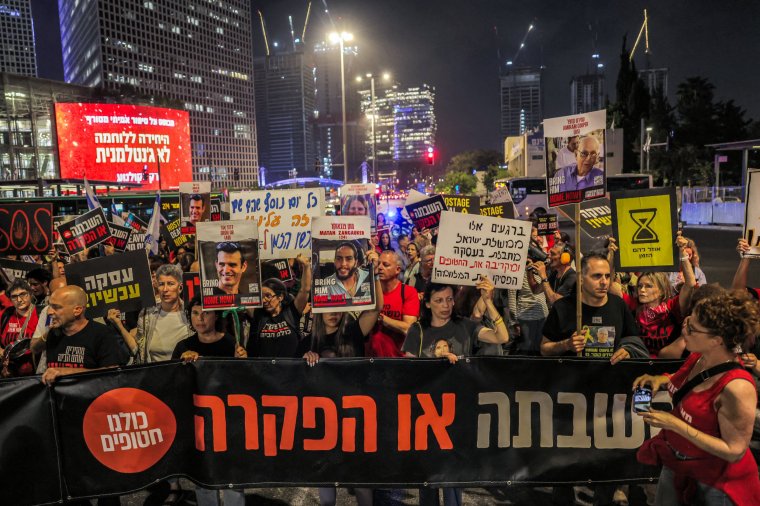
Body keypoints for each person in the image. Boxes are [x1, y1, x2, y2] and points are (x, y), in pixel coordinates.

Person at [633, 289, 760, 505]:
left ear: (716, 340)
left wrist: (675, 424)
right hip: (679, 463)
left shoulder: (737, 388)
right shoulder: (699, 357)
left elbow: (734, 451)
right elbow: (684, 381)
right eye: (687, 320)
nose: (684, 329)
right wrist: (659, 380)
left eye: (692, 328)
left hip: (717, 483)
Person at [401, 277, 508, 506]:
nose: (446, 305)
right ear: (427, 303)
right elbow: (407, 372)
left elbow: (502, 337)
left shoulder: (465, 326)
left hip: (458, 413)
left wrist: (488, 301)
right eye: (439, 300)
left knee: (453, 481)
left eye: (449, 299)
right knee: (428, 481)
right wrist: (438, 363)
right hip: (426, 416)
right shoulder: (417, 330)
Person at [303, 260, 383, 506]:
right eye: (329, 306)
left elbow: (374, 310)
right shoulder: (308, 341)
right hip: (323, 419)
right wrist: (303, 359)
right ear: (318, 309)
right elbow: (290, 375)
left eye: (339, 306)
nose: (333, 312)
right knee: (326, 476)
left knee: (359, 476)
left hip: (353, 414)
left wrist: (374, 274)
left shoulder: (353, 333)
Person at [540, 251, 647, 361]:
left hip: (610, 375)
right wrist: (566, 345)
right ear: (581, 278)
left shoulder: (619, 304)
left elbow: (633, 340)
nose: (604, 282)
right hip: (574, 376)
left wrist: (627, 350)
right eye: (597, 276)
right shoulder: (562, 307)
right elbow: (544, 349)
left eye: (607, 276)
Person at [610, 233, 697, 358]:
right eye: (640, 286)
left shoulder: (672, 306)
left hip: (666, 365)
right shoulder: (634, 305)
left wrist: (682, 252)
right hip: (640, 362)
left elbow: (690, 284)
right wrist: (613, 255)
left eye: (648, 286)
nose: (642, 290)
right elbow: (610, 285)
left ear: (661, 290)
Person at [34, 285, 123, 385]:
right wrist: (47, 334)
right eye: (49, 306)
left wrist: (67, 372)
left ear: (77, 310)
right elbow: (34, 349)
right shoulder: (53, 333)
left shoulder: (103, 334)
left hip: (91, 398)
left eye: (56, 307)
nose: (49, 312)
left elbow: (113, 374)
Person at [107, 264, 192, 364]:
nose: (165, 289)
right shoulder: (147, 314)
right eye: (161, 284)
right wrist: (119, 325)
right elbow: (137, 351)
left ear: (180, 287)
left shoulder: (190, 313)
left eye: (170, 284)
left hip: (183, 375)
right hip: (154, 375)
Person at [246, 255, 311, 358]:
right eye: (261, 297)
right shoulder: (258, 314)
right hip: (266, 372)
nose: (264, 300)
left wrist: (306, 265)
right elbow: (241, 296)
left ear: (280, 297)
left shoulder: (292, 311)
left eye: (268, 296)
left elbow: (305, 289)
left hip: (290, 371)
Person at [368, 251, 420, 357]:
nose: (380, 268)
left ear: (397, 270)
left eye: (385, 265)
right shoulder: (369, 292)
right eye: (378, 264)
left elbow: (408, 328)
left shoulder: (408, 292)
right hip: (372, 359)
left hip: (398, 359)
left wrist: (381, 318)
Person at [0, 279, 39, 376]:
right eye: (14, 297)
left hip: (35, 374)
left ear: (30, 293)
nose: (19, 300)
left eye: (23, 294)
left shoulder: (41, 313)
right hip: (9, 374)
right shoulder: (5, 314)